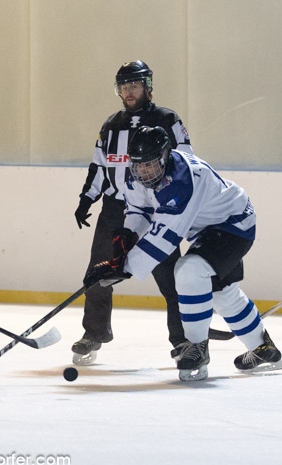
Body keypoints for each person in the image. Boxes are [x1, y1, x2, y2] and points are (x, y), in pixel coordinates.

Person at [84, 126, 282, 381]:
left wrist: (123, 268)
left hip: (233, 223)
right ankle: (264, 349)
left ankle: (196, 347)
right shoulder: (137, 173)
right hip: (207, 228)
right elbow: (140, 210)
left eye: (150, 165)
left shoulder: (184, 179)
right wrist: (125, 244)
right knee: (223, 294)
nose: (144, 172)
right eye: (138, 166)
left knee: (189, 270)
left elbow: (164, 238)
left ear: (165, 157)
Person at [72, 60, 193, 365]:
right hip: (114, 210)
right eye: (124, 87)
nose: (128, 92)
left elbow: (186, 162)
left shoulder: (167, 119)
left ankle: (183, 340)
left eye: (134, 85)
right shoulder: (111, 125)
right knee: (98, 272)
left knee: (171, 279)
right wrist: (87, 198)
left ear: (148, 87)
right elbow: (99, 166)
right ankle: (94, 333)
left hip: (155, 210)